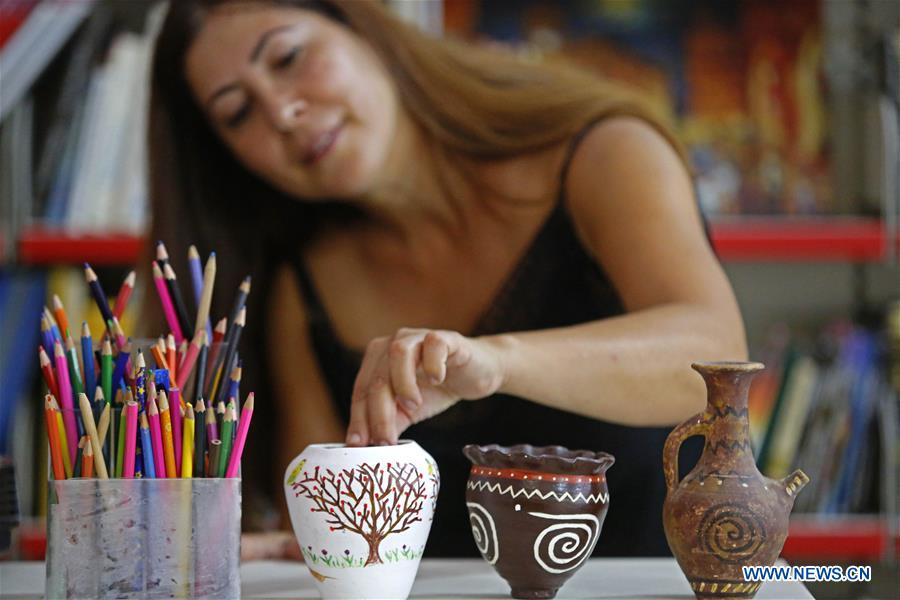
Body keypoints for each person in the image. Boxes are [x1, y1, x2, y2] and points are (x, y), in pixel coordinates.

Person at [149, 0, 747, 559]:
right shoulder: (299, 292)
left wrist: (497, 362)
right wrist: (289, 553)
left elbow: (715, 363)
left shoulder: (602, 153)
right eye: (238, 113)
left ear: (365, 29)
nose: (282, 113)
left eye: (287, 57)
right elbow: (327, 535)